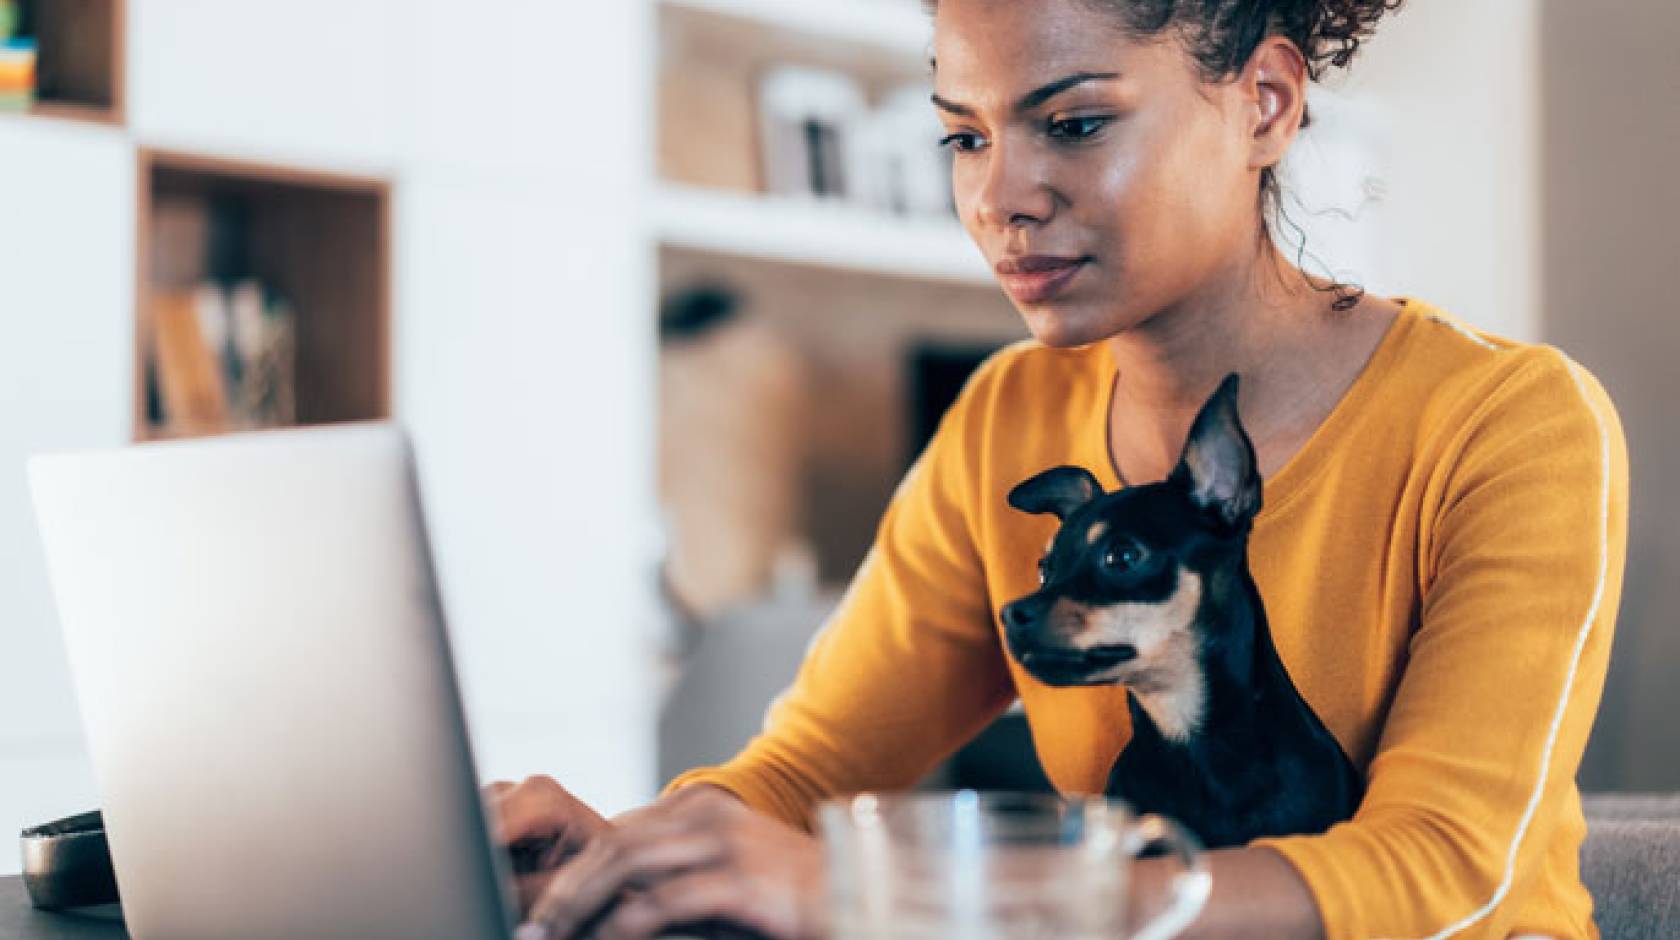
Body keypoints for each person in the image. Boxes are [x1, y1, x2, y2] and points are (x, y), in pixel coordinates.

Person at [494, 0, 1629, 937]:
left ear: (1266, 106)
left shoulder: (1509, 423)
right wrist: (632, 857)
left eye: (1075, 124)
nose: (1001, 199)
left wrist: (895, 898)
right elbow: (807, 773)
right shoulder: (1007, 419)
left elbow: (1442, 872)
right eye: (966, 135)